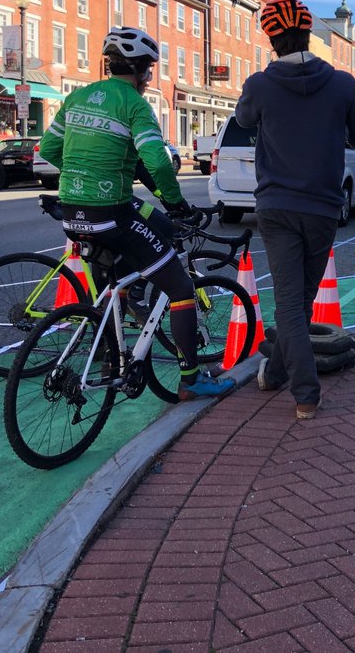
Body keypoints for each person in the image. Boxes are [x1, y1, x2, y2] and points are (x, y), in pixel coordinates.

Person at [39, 27, 234, 401]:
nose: (148, 79)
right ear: (143, 71)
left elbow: (49, 147)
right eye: (148, 71)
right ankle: (192, 379)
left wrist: (84, 172)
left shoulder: (76, 97)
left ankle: (113, 361)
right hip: (110, 213)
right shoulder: (133, 103)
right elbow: (157, 162)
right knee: (179, 288)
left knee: (120, 282)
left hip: (73, 213)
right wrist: (176, 205)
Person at [235, 0, 355, 420]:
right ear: (309, 36)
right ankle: (281, 377)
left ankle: (303, 392)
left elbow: (242, 121)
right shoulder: (345, 85)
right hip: (323, 207)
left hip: (276, 206)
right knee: (300, 301)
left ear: (272, 39)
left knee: (292, 304)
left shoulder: (259, 85)